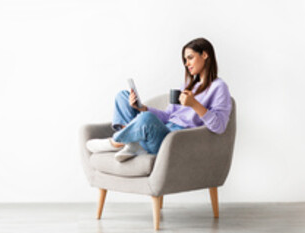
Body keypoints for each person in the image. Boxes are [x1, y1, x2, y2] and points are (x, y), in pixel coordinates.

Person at [88, 38, 234, 161]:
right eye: (185, 60)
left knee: (146, 119)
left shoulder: (219, 87)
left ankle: (116, 142)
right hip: (164, 128)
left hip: (173, 139)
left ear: (205, 55)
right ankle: (131, 143)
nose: (186, 64)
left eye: (190, 58)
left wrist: (194, 105)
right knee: (123, 96)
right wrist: (142, 108)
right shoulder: (187, 86)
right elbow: (168, 116)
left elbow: (220, 126)